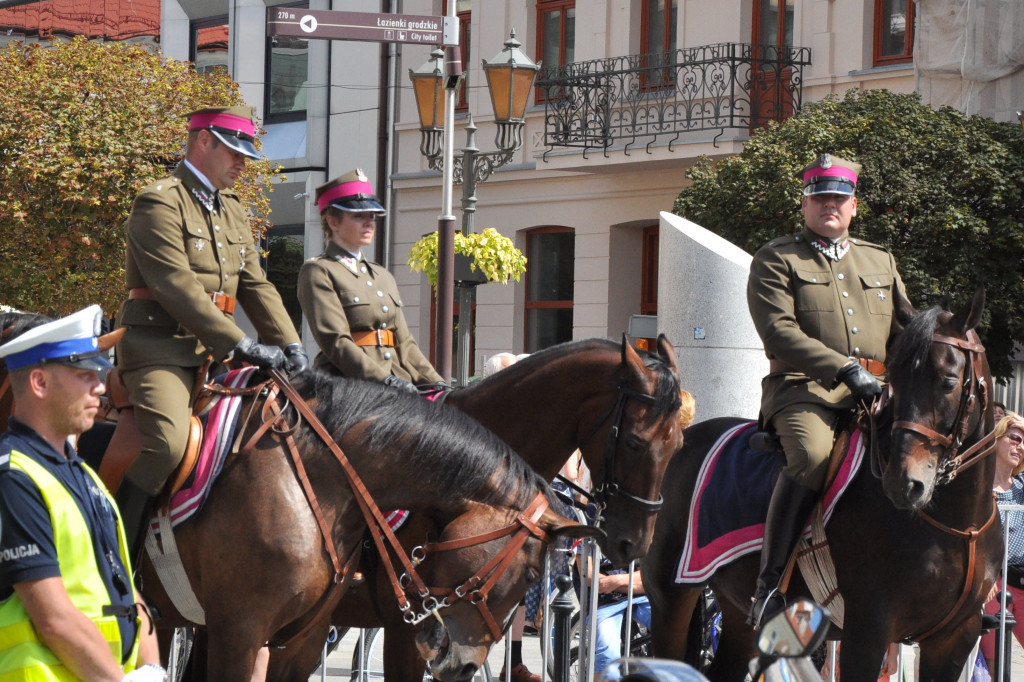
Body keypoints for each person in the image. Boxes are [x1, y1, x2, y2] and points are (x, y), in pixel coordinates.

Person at [114, 105, 307, 558]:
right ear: (203, 142)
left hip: (216, 353)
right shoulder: (160, 200)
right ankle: (114, 554)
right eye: (235, 152)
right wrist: (242, 344)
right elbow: (175, 286)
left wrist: (291, 344)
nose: (243, 164)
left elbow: (256, 285)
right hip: (161, 348)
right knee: (166, 445)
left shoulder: (233, 212)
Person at [746, 153, 906, 628]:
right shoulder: (777, 258)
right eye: (820, 197)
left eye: (838, 198)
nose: (829, 205)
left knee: (923, 449)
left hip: (875, 391)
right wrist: (844, 369)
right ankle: (769, 586)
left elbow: (904, 330)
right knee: (813, 456)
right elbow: (778, 332)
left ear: (854, 206)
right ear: (805, 203)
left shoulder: (879, 259)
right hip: (803, 391)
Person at [0, 306, 164, 681]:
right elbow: (54, 618)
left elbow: (124, 587)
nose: (101, 386)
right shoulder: (13, 478)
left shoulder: (84, 474)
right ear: (39, 383)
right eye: (84, 375)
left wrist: (152, 668)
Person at [297, 169, 442, 394]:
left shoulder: (382, 276)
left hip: (397, 380)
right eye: (358, 216)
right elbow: (336, 343)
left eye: (371, 217)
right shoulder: (319, 270)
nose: (369, 223)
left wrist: (436, 382)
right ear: (333, 222)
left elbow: (405, 342)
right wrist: (384, 381)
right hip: (346, 386)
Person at [980, 413, 1024, 671]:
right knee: (996, 664)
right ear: (995, 439)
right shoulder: (978, 490)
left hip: (1021, 580)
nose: (1020, 446)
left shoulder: (1022, 487)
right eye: (1015, 438)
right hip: (992, 583)